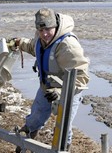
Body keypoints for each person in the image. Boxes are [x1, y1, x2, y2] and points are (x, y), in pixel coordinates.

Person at [10, 8, 89, 152]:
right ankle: (24, 145)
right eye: (41, 30)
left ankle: (63, 149)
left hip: (69, 91)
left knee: (63, 128)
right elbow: (32, 46)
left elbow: (81, 78)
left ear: (55, 26)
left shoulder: (68, 46)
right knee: (34, 119)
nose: (44, 34)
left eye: (48, 29)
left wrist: (60, 91)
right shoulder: (41, 39)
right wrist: (18, 42)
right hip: (47, 87)